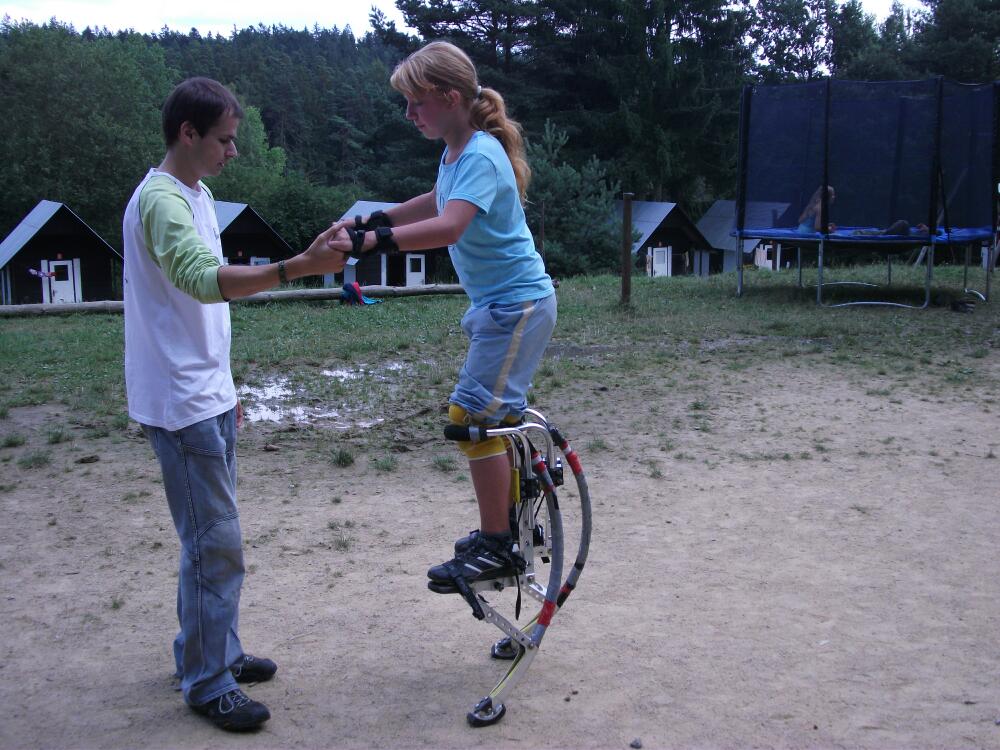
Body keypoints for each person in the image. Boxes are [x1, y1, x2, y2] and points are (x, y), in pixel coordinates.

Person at [123, 77, 348, 732]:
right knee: (215, 544)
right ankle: (206, 681)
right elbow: (202, 282)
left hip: (207, 396)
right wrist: (296, 268)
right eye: (224, 139)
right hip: (181, 404)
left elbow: (198, 315)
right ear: (187, 133)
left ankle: (210, 651)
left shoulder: (196, 194)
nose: (233, 151)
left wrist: (227, 390)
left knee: (209, 539)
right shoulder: (160, 201)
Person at [330, 41, 556, 591]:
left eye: (416, 102)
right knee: (487, 422)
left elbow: (450, 225)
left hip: (517, 306)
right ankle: (504, 529)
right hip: (500, 307)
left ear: (450, 96)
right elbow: (435, 201)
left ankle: (497, 545)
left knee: (470, 417)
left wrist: (375, 241)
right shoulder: (458, 152)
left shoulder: (480, 153)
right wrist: (372, 220)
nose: (409, 113)